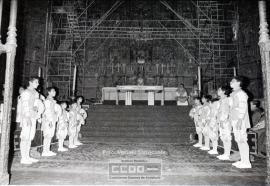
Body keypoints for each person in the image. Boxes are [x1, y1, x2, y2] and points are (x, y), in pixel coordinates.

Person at [19, 77, 44, 164]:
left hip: (33, 116)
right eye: (36, 82)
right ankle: (23, 158)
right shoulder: (26, 92)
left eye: (38, 82)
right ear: (30, 82)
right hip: (27, 117)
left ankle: (27, 156)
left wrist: (37, 109)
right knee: (25, 136)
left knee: (30, 137)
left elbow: (36, 104)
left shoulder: (36, 93)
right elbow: (25, 105)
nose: (38, 84)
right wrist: (27, 117)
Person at [229, 76, 252, 169]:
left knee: (242, 140)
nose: (231, 82)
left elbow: (243, 108)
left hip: (240, 120)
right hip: (235, 119)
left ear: (239, 83)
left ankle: (247, 162)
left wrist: (240, 120)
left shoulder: (241, 94)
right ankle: (243, 160)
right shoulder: (234, 94)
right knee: (239, 140)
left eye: (233, 81)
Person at [41, 87, 59, 156]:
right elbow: (47, 112)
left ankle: (47, 150)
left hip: (53, 119)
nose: (55, 92)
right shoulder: (47, 101)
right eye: (53, 91)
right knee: (47, 135)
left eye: (54, 91)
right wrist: (50, 121)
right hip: (48, 120)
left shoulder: (52, 100)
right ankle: (45, 151)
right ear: (48, 92)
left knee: (50, 135)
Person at [216, 86, 232, 160]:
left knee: (226, 137)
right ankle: (226, 153)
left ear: (224, 91)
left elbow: (226, 112)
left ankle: (227, 154)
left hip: (225, 121)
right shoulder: (221, 100)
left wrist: (223, 120)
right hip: (221, 121)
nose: (218, 91)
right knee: (223, 137)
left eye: (219, 90)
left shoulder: (226, 100)